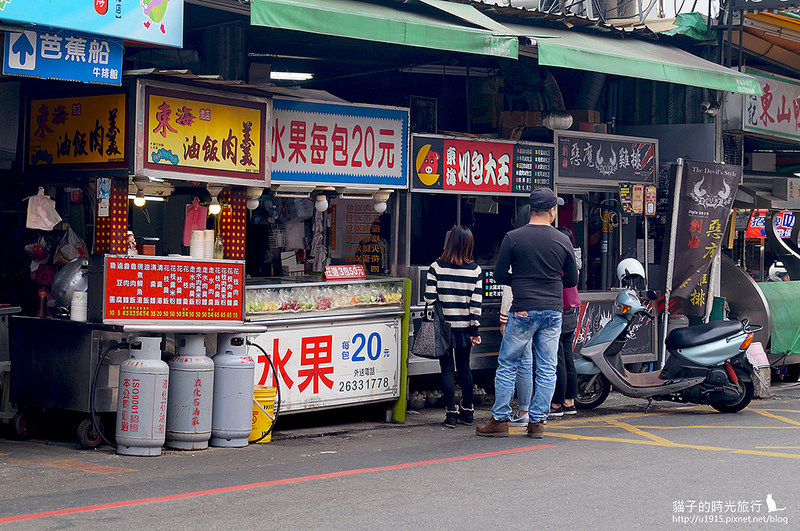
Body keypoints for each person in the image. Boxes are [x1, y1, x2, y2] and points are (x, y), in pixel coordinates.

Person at [476, 188, 578, 439]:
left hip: (522, 309)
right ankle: (537, 422)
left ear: (530, 209)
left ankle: (500, 420)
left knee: (508, 365)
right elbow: (572, 280)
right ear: (552, 211)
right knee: (547, 367)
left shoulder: (513, 237)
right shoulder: (563, 240)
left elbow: (499, 275)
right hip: (552, 311)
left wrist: (519, 281)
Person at [424, 225, 483, 428]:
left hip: (444, 328)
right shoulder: (475, 270)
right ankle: (468, 411)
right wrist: (474, 330)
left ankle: (451, 413)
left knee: (447, 369)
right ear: (469, 245)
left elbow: (429, 298)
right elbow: (476, 305)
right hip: (465, 328)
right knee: (465, 368)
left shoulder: (436, 267)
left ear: (449, 243)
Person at [549, 227, 582, 418]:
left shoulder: (559, 261)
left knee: (558, 360)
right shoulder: (574, 261)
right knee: (568, 358)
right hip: (571, 312)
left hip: (559, 312)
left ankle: (556, 403)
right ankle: (570, 401)